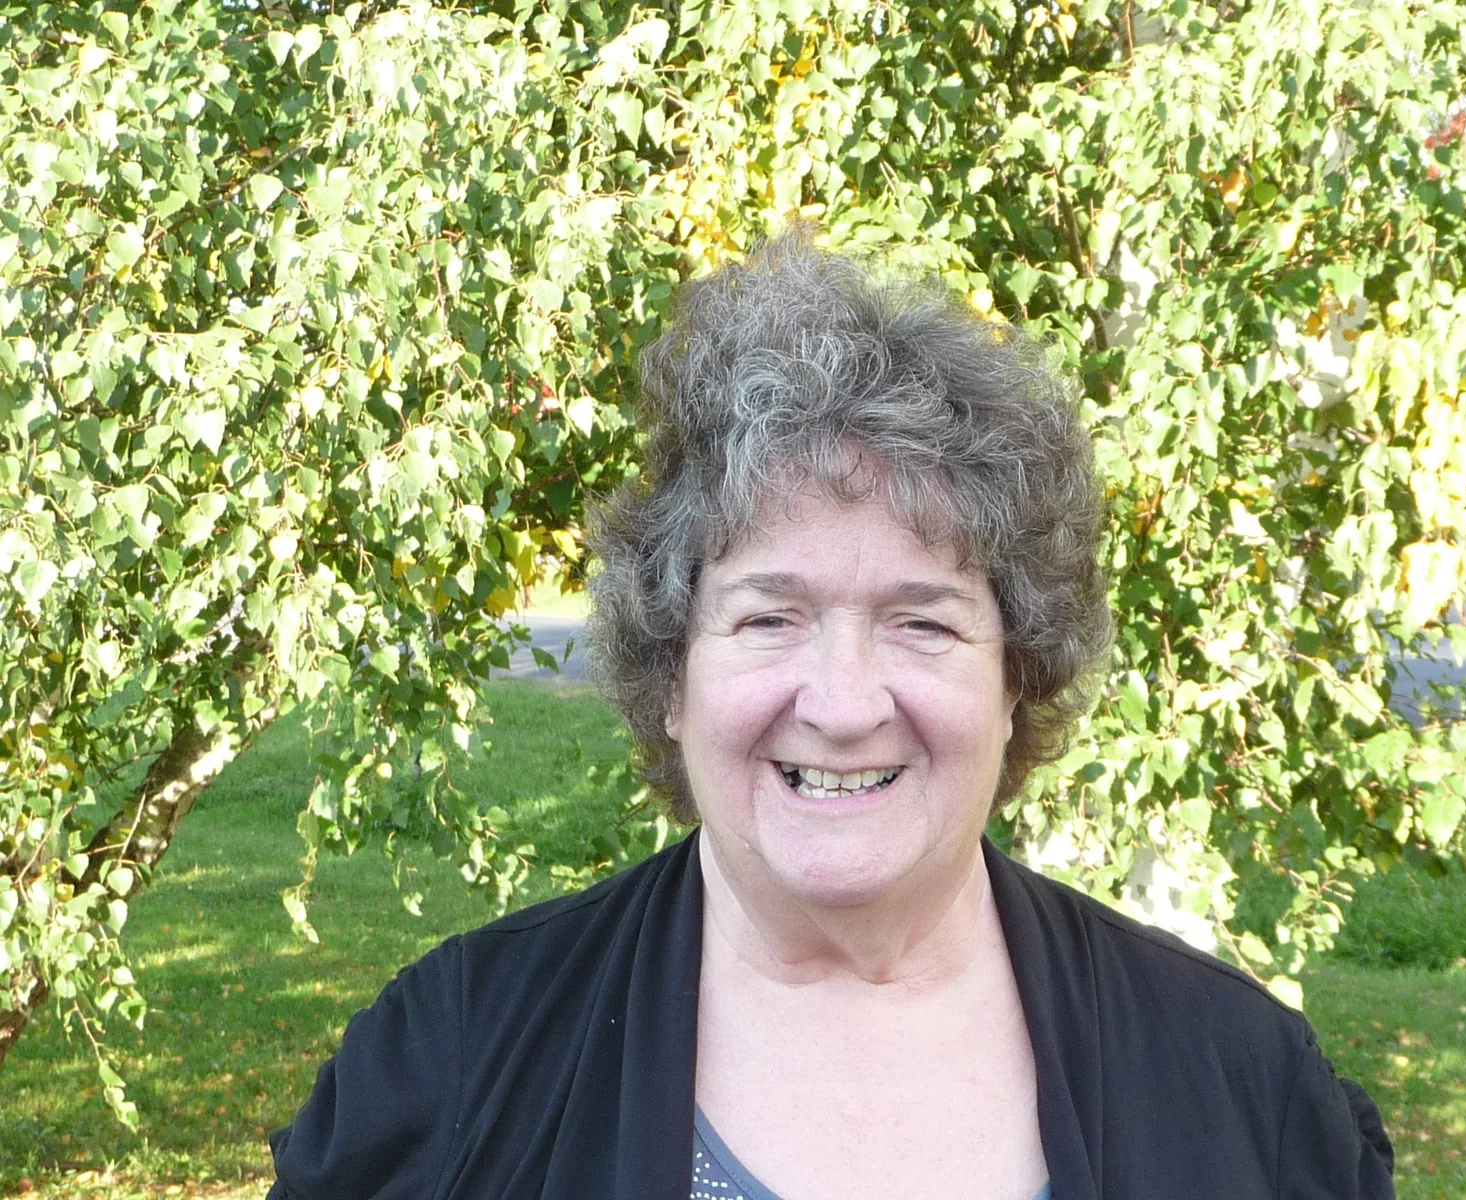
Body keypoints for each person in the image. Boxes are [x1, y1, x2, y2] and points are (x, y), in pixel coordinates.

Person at [266, 230, 1395, 1198]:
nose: (845, 705)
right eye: (770, 617)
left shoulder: (1246, 1087)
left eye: (922, 622)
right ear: (671, 676)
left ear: (1016, 678)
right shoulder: (456, 1063)